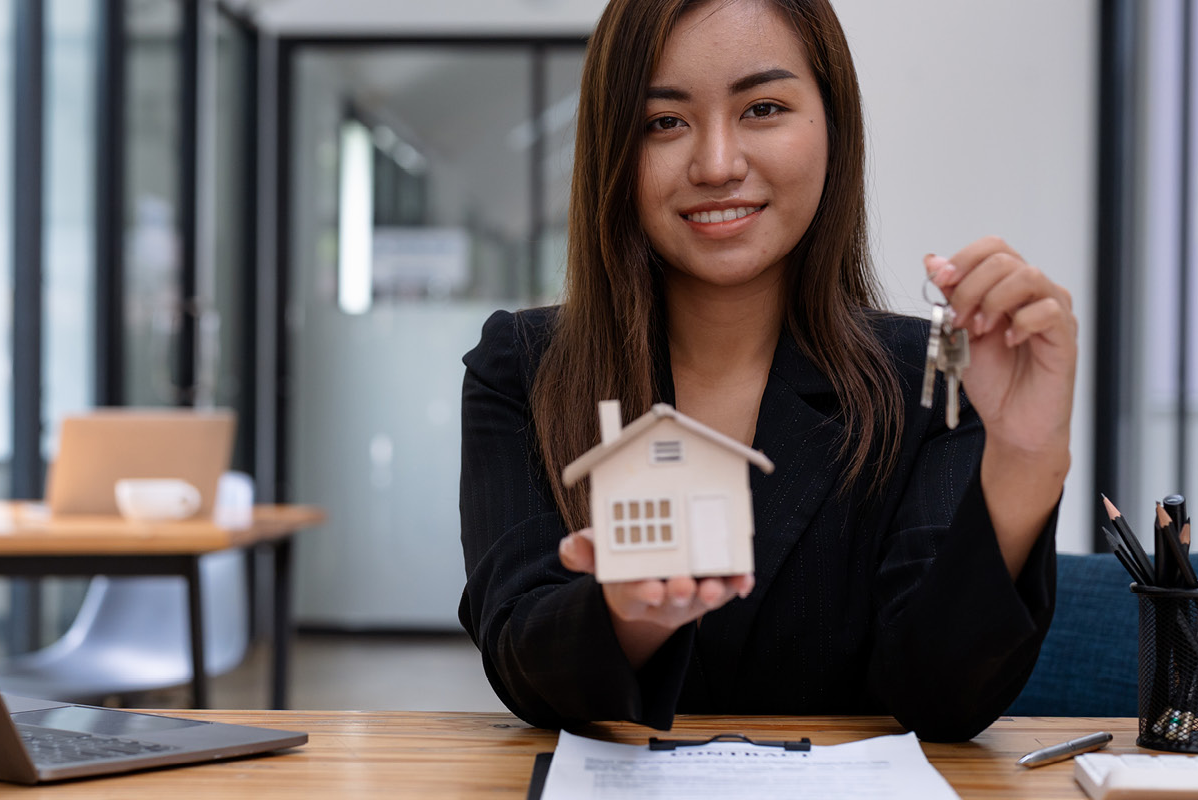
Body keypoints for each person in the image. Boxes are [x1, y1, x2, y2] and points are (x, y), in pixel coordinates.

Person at [457, 0, 1077, 742]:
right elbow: (522, 660)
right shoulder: (524, 367)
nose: (717, 164)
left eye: (763, 107)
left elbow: (941, 696)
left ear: (832, 128)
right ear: (613, 152)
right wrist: (625, 614)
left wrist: (1028, 459)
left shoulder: (929, 378)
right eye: (664, 122)